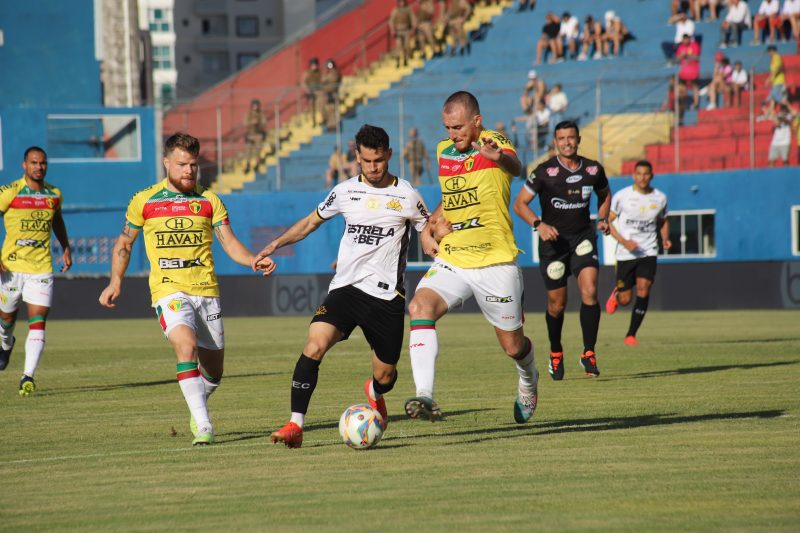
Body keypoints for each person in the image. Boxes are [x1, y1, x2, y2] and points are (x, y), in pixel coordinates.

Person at [258, 124, 432, 448]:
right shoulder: (344, 191)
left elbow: (428, 230)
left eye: (379, 160)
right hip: (346, 289)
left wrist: (435, 242)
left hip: (385, 297)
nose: (373, 167)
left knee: (385, 376)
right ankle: (295, 425)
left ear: (389, 156)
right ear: (356, 157)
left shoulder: (406, 195)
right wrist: (275, 244)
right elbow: (311, 222)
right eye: (366, 161)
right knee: (314, 345)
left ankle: (375, 392)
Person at [98, 132, 275, 446]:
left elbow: (229, 242)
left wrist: (252, 260)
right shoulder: (145, 200)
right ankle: (204, 426)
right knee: (186, 348)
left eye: (193, 165)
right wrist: (115, 282)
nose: (189, 171)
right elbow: (124, 243)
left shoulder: (209, 201)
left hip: (206, 291)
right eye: (181, 164)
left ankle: (198, 407)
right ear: (167, 163)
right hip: (168, 290)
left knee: (215, 372)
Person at [405, 91, 539, 425]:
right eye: (448, 128)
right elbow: (449, 198)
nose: (453, 134)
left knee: (512, 347)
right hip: (454, 257)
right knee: (420, 307)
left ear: (476, 122)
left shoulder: (496, 142)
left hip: (495, 260)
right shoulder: (442, 150)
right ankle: (425, 396)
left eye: (459, 127)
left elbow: (516, 166)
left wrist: (498, 159)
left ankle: (528, 379)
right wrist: (429, 228)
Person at [512, 120, 611, 380]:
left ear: (578, 139)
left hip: (582, 239)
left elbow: (605, 193)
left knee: (590, 290)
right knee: (557, 305)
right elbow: (520, 204)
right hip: (553, 245)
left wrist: (603, 218)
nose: (567, 142)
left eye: (571, 137)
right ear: (555, 142)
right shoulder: (544, 172)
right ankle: (556, 353)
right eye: (562, 138)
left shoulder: (593, 169)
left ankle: (588, 353)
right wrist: (539, 224)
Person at [0, 147, 72, 395]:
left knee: (38, 321)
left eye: (42, 163)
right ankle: (6, 344)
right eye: (34, 163)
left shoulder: (54, 194)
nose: (39, 167)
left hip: (41, 268)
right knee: (6, 319)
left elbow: (57, 220)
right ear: (24, 165)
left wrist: (66, 247)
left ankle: (27, 376)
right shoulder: (9, 193)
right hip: (10, 267)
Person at [604, 160, 671, 346]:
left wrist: (665, 238)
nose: (642, 177)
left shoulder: (660, 198)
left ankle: (631, 334)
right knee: (626, 299)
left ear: (651, 176)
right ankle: (617, 294)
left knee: (644, 288)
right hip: (625, 253)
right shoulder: (622, 196)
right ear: (634, 175)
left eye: (646, 174)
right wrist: (624, 241)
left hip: (649, 250)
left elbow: (664, 220)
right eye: (639, 174)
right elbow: (607, 221)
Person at [676, 33, 701, 109]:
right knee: (682, 88)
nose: (685, 40)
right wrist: (681, 56)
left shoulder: (694, 45)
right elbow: (678, 59)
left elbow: (696, 56)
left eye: (687, 39)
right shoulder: (680, 47)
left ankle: (696, 104)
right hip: (683, 72)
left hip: (693, 71)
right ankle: (683, 104)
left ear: (689, 39)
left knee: (695, 87)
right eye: (684, 39)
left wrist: (687, 55)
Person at [390, 0, 417, 67]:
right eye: (400, 2)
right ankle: (398, 61)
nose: (401, 3)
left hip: (406, 30)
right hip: (398, 31)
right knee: (398, 46)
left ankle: (405, 60)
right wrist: (392, 29)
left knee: (406, 46)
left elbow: (413, 18)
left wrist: (413, 27)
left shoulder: (408, 9)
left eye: (402, 2)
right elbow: (391, 21)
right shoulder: (395, 10)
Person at [243, 99, 267, 173]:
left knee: (258, 150)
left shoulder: (260, 114)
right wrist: (251, 122)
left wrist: (258, 123)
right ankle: (247, 164)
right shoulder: (249, 114)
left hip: (258, 135)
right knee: (248, 151)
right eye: (254, 105)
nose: (255, 107)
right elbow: (245, 122)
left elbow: (264, 122)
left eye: (256, 105)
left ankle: (257, 164)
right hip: (250, 135)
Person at [321, 59, 342, 132]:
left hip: (333, 93)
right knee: (329, 109)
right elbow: (322, 80)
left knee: (333, 110)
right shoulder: (327, 73)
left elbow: (332, 80)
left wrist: (326, 77)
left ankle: (334, 125)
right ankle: (330, 125)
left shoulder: (335, 73)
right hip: (328, 93)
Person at [765, 45, 786, 116]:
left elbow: (777, 68)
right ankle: (770, 112)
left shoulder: (776, 57)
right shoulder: (774, 58)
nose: (768, 54)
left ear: (772, 51)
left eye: (769, 52)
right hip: (775, 81)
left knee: (777, 97)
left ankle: (788, 110)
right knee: (772, 97)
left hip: (778, 81)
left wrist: (769, 79)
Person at [301, 58, 322, 127]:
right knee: (312, 109)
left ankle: (321, 120)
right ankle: (313, 122)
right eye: (313, 65)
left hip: (318, 92)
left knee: (320, 105)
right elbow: (303, 83)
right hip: (311, 93)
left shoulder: (319, 72)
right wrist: (308, 91)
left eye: (315, 64)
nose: (314, 66)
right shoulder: (307, 73)